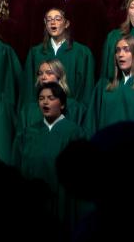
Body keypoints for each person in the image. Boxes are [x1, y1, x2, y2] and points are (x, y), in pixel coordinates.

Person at [14, 83, 85, 223]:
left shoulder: (74, 132)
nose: (45, 102)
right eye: (41, 98)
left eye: (51, 98)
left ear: (62, 104)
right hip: (33, 204)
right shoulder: (28, 133)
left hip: (64, 203)